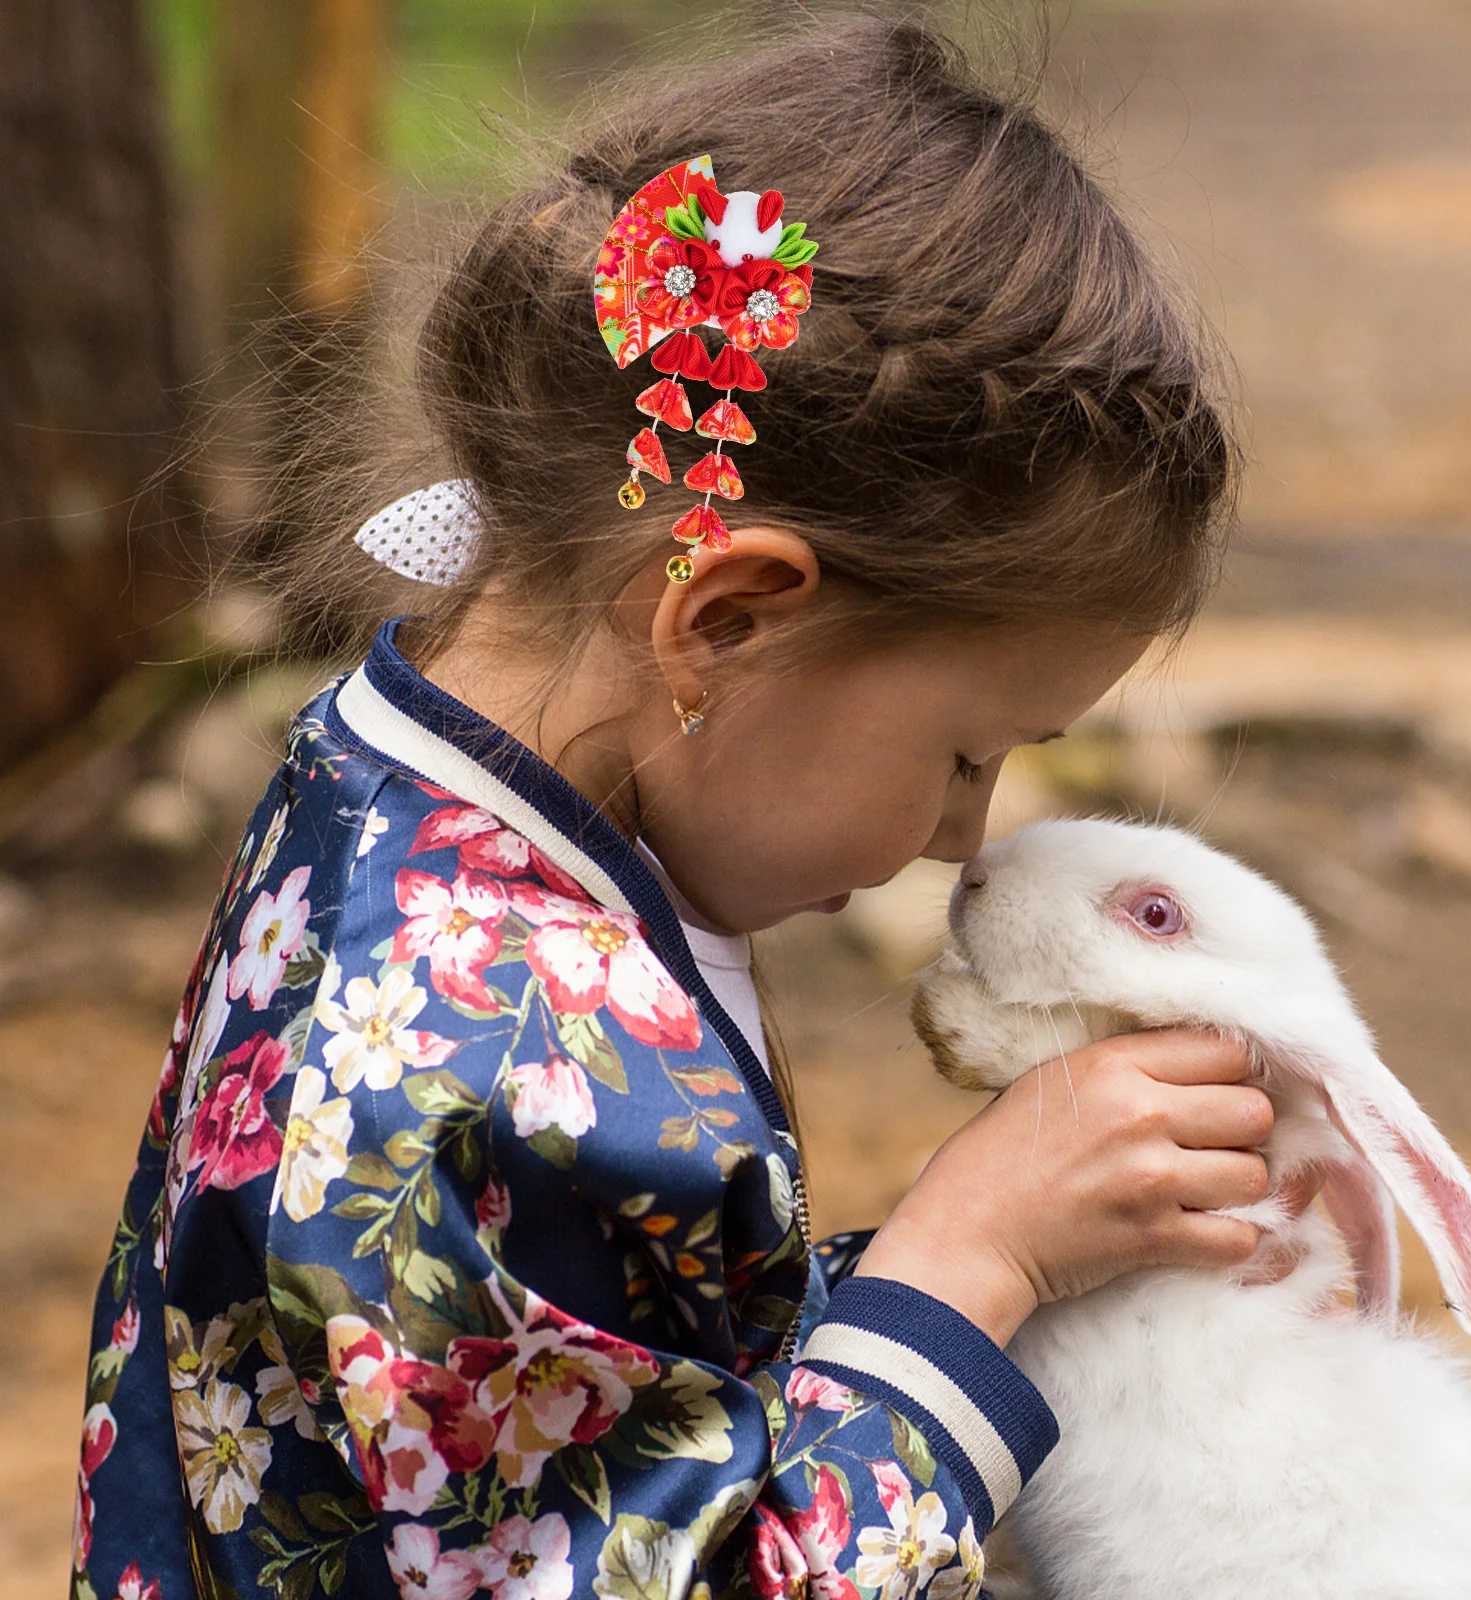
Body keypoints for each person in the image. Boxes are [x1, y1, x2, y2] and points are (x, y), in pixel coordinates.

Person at [75, 18, 1280, 1600]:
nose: (963, 836)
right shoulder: (475, 1059)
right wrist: (970, 1263)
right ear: (722, 621)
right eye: (966, 752)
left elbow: (610, 1386)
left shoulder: (398, 787)